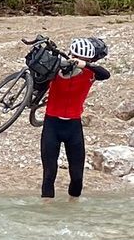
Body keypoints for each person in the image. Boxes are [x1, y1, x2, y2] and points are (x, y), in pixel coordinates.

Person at [41, 37, 109, 199]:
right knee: (49, 173)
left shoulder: (91, 73)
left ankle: (73, 213)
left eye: (84, 60)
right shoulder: (56, 69)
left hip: (74, 127)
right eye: (77, 58)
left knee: (77, 177)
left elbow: (106, 74)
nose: (79, 62)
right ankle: (46, 215)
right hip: (52, 124)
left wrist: (85, 65)